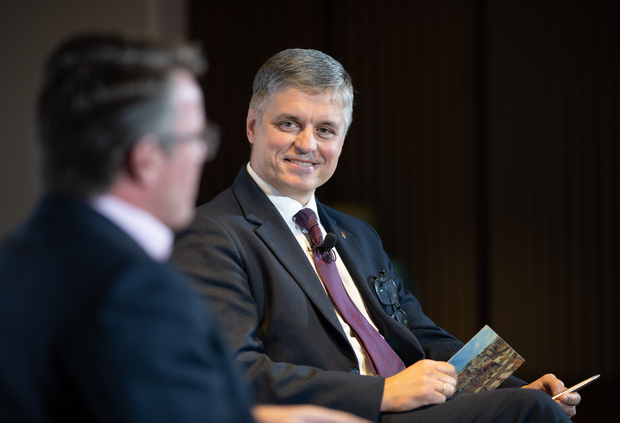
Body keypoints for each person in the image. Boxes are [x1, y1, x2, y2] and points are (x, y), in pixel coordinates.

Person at [171, 48, 583, 423]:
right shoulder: (211, 232)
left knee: (533, 403)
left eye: (326, 130)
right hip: (345, 415)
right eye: (289, 123)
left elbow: (420, 335)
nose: (307, 144)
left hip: (419, 409)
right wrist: (382, 392)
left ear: (342, 140)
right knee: (530, 413)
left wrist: (510, 387)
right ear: (252, 125)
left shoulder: (357, 233)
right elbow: (237, 371)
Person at [0, 35, 370, 423]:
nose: (202, 155)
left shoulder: (15, 260)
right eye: (196, 138)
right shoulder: (139, 289)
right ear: (145, 159)